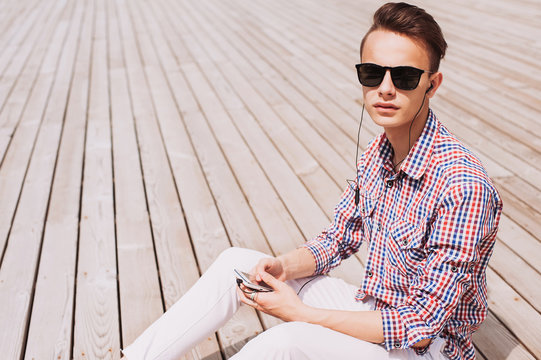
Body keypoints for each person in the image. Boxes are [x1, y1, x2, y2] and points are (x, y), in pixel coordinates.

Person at [122, 2, 502, 359]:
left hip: (424, 349)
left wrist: (299, 312)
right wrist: (283, 268)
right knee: (234, 263)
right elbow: (339, 237)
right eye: (372, 73)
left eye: (403, 77)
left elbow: (420, 327)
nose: (385, 89)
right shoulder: (378, 151)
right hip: (376, 309)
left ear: (431, 85)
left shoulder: (463, 188)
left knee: (286, 341)